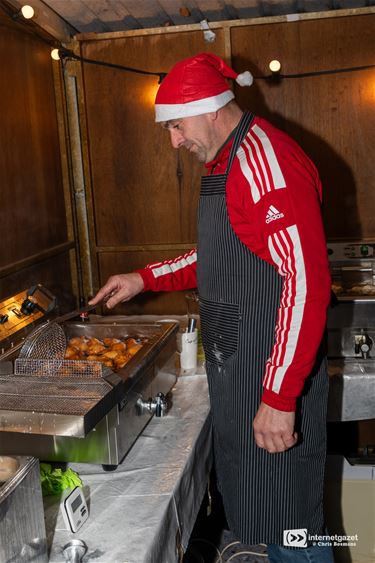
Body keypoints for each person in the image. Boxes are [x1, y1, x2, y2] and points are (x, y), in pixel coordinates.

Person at [89, 53, 334, 562]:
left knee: (293, 530)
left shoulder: (265, 162)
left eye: (176, 126)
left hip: (270, 378)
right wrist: (143, 278)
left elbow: (305, 282)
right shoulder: (227, 159)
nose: (175, 141)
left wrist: (280, 397)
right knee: (265, 522)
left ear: (209, 109)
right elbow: (220, 252)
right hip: (244, 375)